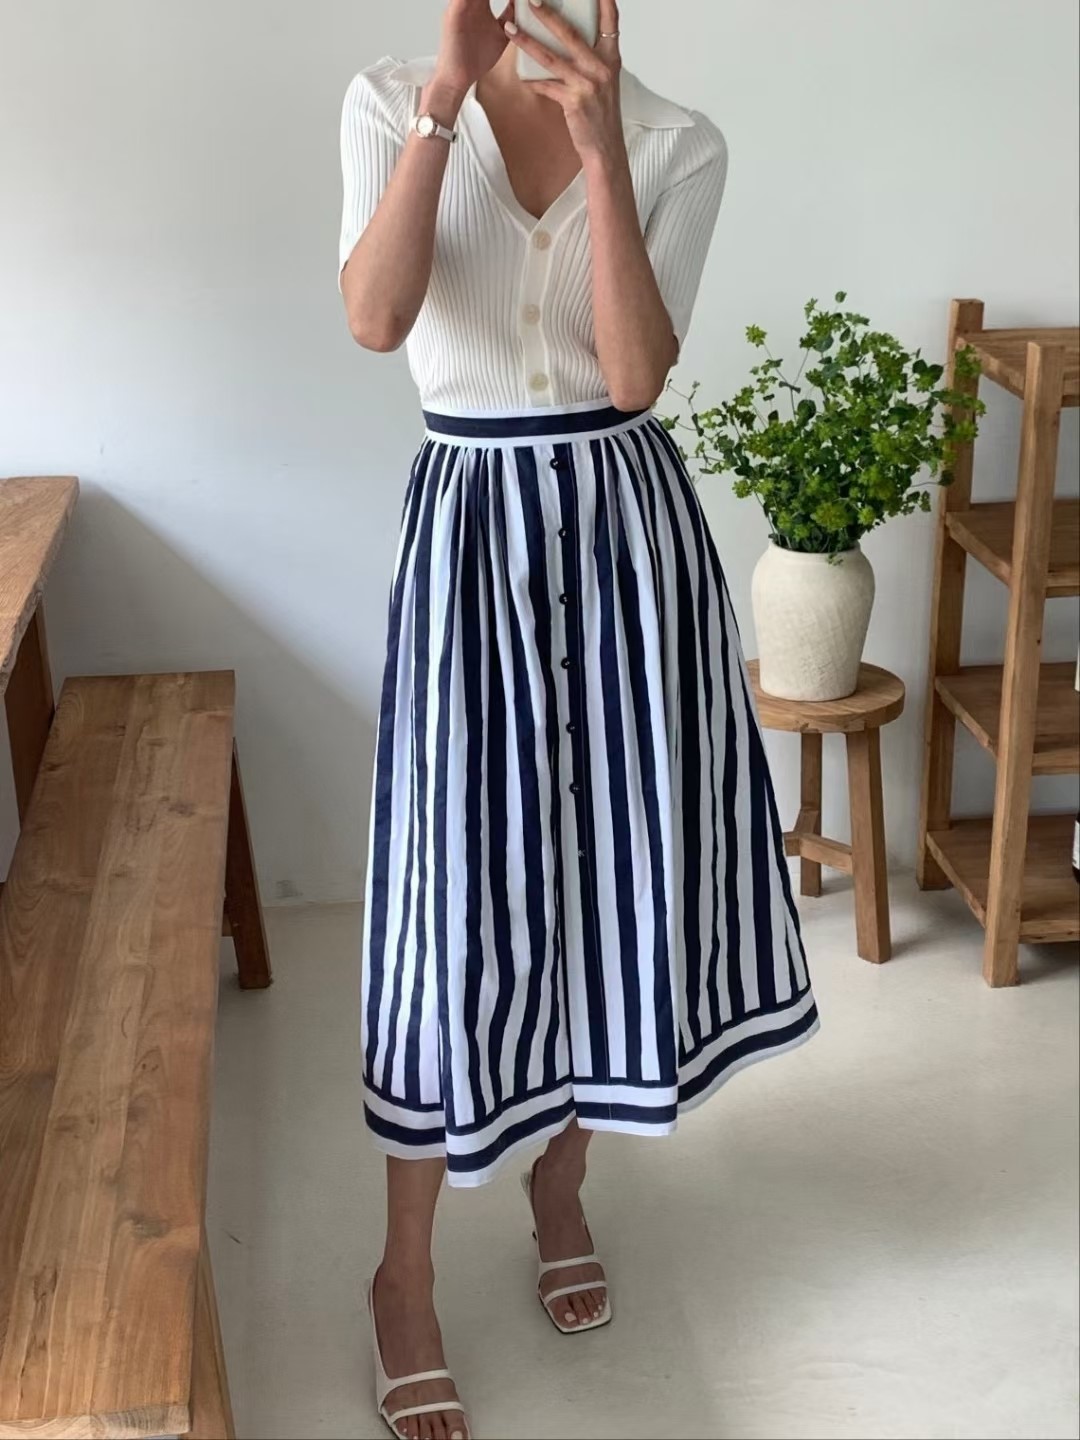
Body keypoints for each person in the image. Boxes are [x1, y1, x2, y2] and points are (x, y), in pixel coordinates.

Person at [339, 2, 818, 1435]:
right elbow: (375, 321)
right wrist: (445, 99)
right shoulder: (388, 100)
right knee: (453, 906)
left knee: (620, 880)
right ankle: (404, 1276)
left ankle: (563, 1183)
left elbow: (632, 376)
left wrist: (605, 154)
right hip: (472, 533)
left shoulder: (678, 142)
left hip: (626, 543)